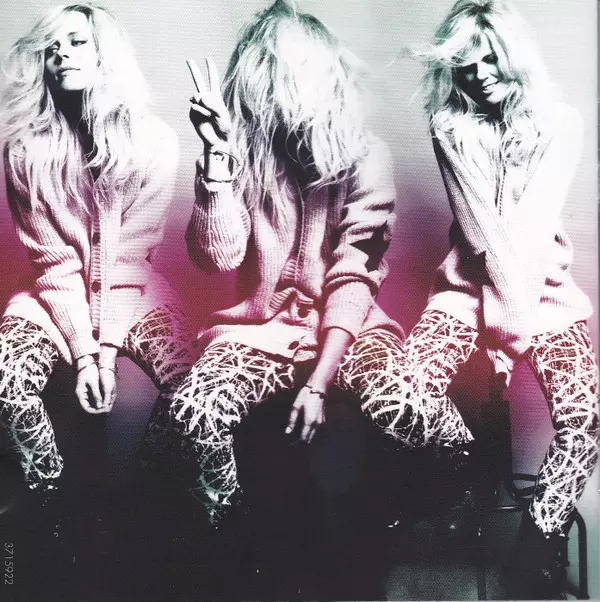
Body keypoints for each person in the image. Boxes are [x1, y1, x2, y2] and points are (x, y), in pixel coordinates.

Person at [170, 0, 479, 531]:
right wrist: (217, 158)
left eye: (292, 74)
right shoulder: (240, 154)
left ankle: (448, 486)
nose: (279, 92)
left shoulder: (367, 156)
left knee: (409, 410)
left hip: (348, 329)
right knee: (193, 412)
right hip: (259, 331)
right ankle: (231, 529)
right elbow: (216, 258)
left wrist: (318, 383)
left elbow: (354, 276)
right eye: (268, 77)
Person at [413, 0, 599, 596]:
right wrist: (499, 326)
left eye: (491, 58)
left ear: (517, 55)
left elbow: (530, 226)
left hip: (544, 294)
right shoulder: (448, 126)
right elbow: (481, 233)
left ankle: (537, 545)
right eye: (464, 65)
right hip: (465, 292)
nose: (479, 74)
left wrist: (508, 331)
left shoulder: (562, 122)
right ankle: (468, 467)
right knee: (401, 396)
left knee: (586, 421)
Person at [0, 3, 196, 526]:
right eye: (52, 48)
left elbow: (131, 256)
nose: (62, 54)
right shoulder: (21, 149)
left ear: (105, 52)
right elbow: (53, 262)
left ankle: (147, 505)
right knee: (6, 377)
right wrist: (85, 357)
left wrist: (104, 352)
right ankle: (52, 504)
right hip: (51, 294)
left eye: (77, 41)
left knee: (191, 381)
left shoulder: (155, 141)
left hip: (134, 291)